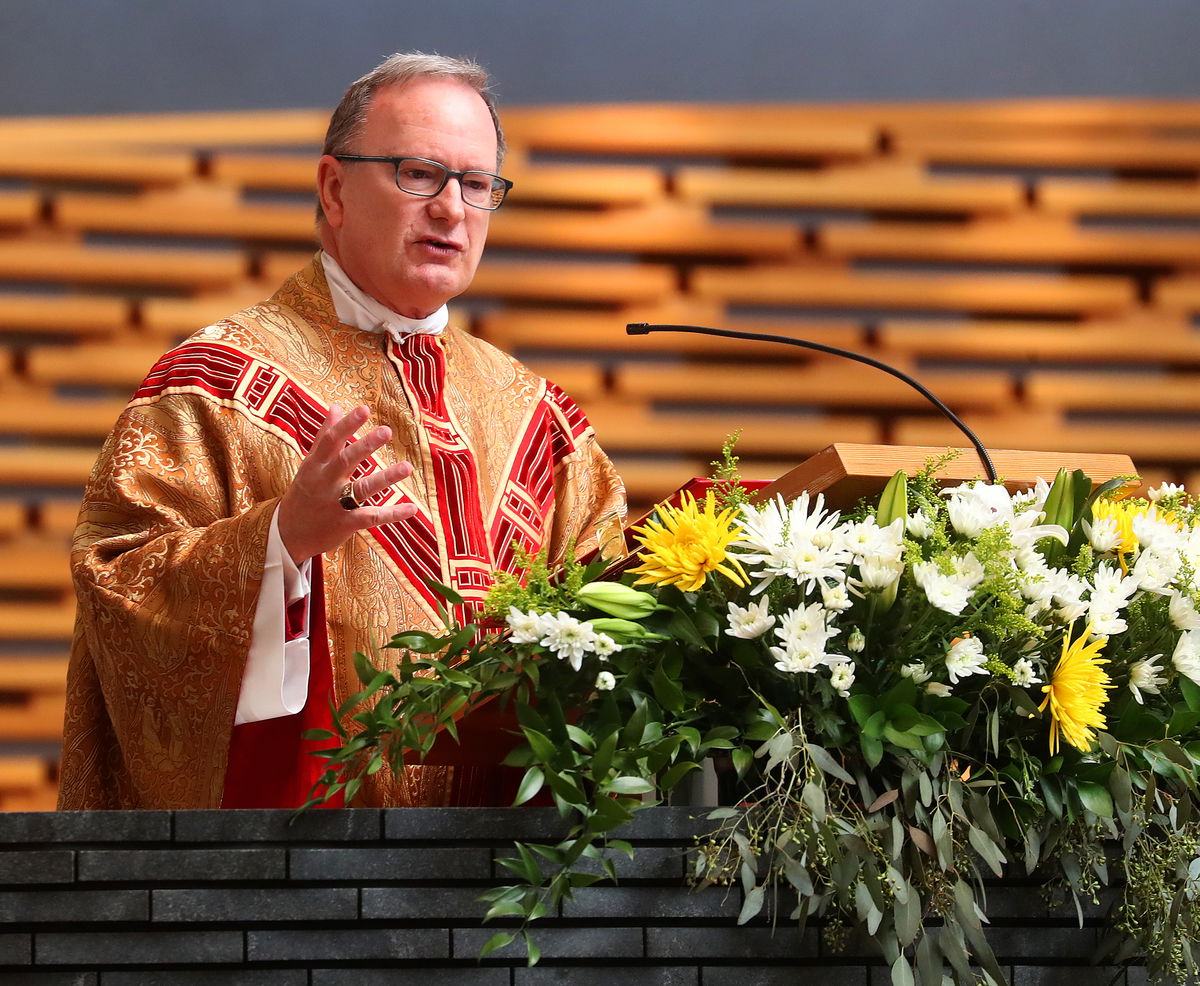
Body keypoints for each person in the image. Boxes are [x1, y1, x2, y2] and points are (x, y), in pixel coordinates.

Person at [58, 53, 626, 810]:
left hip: (507, 889)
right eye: (418, 173)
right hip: (291, 887)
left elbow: (616, 627)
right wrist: (280, 543)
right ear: (334, 189)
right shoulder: (212, 385)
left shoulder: (542, 421)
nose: (452, 209)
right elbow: (118, 584)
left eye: (477, 184)